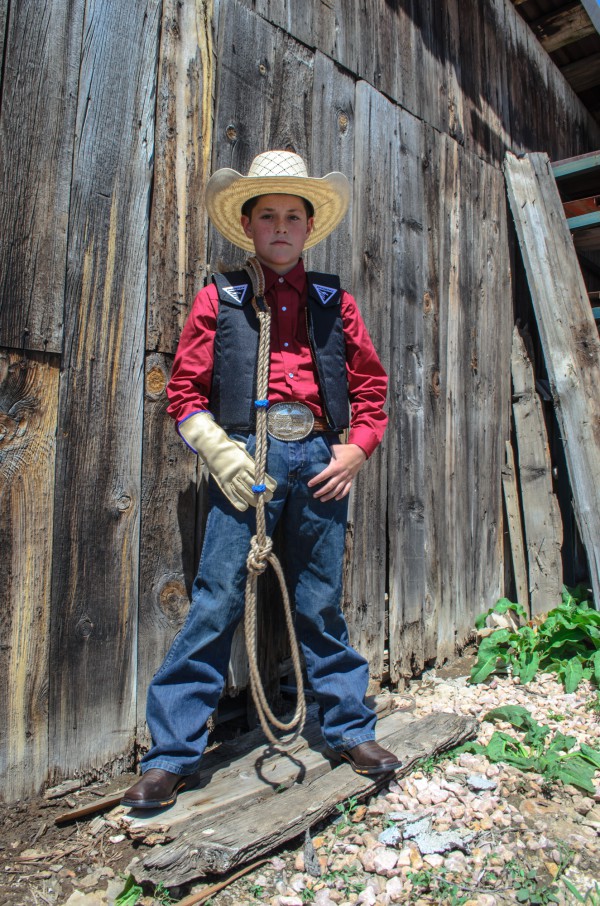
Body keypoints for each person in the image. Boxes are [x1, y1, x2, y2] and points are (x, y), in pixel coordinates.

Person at [122, 150, 401, 810]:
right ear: (249, 226)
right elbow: (183, 396)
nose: (281, 226)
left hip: (320, 463)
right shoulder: (221, 298)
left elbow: (372, 390)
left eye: (293, 216)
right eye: (268, 215)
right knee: (218, 596)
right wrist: (221, 454)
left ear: (309, 228)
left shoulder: (336, 303)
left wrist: (357, 451)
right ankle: (172, 754)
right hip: (245, 460)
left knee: (319, 600)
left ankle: (347, 728)